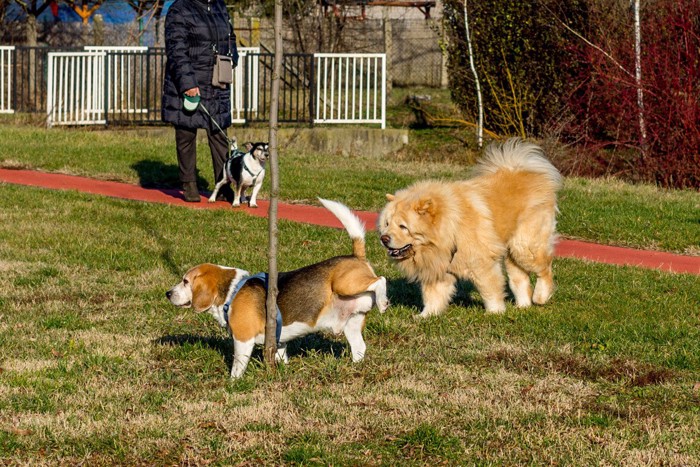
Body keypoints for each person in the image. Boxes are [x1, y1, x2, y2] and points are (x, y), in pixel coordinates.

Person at [161, 0, 239, 202]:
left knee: (219, 134)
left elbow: (230, 36)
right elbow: (176, 50)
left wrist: (232, 59)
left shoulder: (219, 6)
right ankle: (189, 184)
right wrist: (187, 84)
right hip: (190, 80)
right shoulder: (180, 9)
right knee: (186, 132)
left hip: (216, 81)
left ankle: (223, 186)